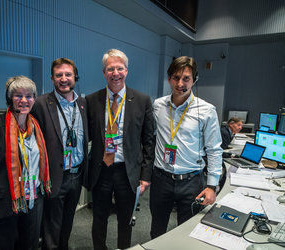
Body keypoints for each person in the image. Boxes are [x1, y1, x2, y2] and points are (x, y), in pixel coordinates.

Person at [85, 49, 155, 250]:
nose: (115, 73)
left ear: (126, 70)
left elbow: (148, 141)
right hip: (101, 170)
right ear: (104, 72)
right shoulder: (92, 100)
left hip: (128, 171)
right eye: (110, 69)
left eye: (119, 68)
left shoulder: (142, 100)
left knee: (126, 220)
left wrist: (146, 176)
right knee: (99, 219)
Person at [0, 76, 51, 250]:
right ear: (10, 99)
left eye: (29, 96)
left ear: (34, 99)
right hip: (3, 206)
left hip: (32, 203)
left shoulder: (37, 128)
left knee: (29, 246)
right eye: (18, 95)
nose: (24, 100)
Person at [150, 56, 223, 239]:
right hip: (161, 179)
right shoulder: (158, 105)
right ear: (169, 79)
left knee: (187, 233)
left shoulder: (207, 110)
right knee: (157, 230)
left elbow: (214, 150)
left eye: (186, 78)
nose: (180, 83)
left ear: (194, 80)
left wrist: (212, 186)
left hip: (192, 182)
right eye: (176, 77)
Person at [33, 58, 88, 250]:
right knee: (51, 229)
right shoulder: (40, 103)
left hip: (77, 175)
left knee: (67, 224)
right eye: (59, 75)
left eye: (68, 74)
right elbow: (20, 120)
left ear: (75, 77)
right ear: (52, 78)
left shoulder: (83, 103)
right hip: (55, 176)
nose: (63, 79)